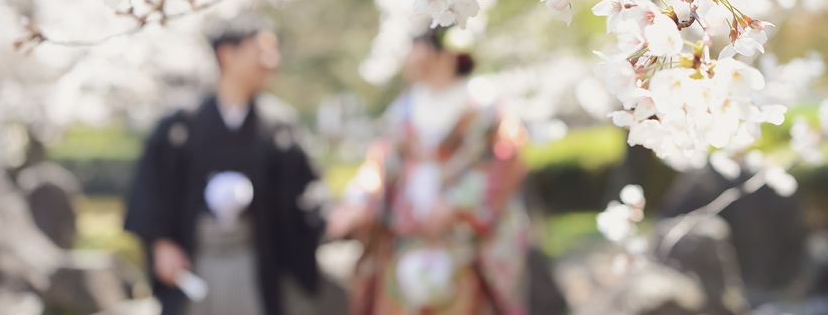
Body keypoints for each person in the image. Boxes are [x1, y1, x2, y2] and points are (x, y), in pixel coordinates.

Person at [124, 17, 324, 315]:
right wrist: (162, 244)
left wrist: (328, 214)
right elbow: (153, 188)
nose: (273, 61)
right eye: (263, 51)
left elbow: (306, 193)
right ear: (227, 55)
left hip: (258, 261)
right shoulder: (179, 126)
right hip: (197, 258)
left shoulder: (280, 125)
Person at [328, 28, 530, 315]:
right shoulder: (404, 107)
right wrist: (358, 201)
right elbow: (382, 162)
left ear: (443, 52)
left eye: (416, 47)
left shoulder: (482, 103)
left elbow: (504, 160)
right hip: (409, 235)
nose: (408, 58)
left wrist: (456, 204)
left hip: (464, 243)